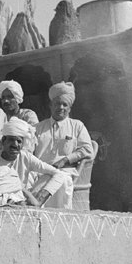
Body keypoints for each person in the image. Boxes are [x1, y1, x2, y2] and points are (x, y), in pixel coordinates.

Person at [33, 81, 94, 209]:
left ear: (69, 108)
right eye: (57, 104)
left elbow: (88, 150)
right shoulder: (38, 128)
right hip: (39, 171)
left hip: (64, 171)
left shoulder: (77, 126)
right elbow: (28, 151)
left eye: (64, 104)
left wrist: (66, 160)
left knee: (61, 181)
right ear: (50, 105)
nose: (61, 107)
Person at [0, 119, 72, 208]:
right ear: (4, 140)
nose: (15, 145)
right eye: (11, 140)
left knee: (57, 176)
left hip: (25, 200)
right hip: (1, 200)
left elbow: (58, 174)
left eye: (19, 141)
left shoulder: (25, 157)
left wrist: (40, 198)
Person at [0, 80, 38, 151]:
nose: (5, 101)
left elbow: (33, 138)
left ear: (17, 98)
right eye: (3, 98)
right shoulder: (0, 117)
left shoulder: (28, 115)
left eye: (9, 97)